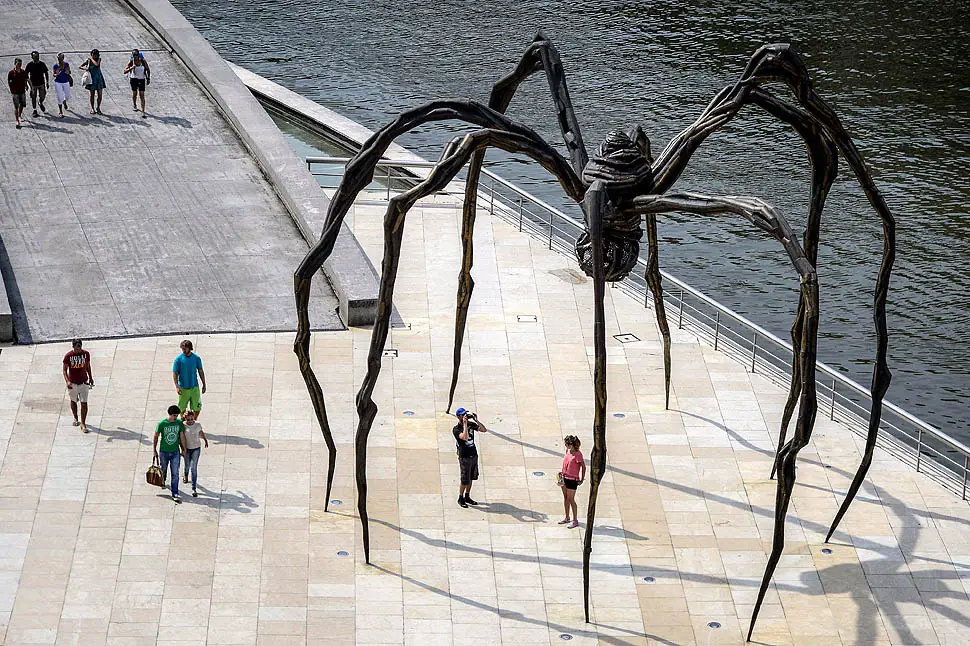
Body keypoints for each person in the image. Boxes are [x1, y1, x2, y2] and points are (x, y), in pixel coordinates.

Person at [453, 407, 487, 508]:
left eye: (465, 414)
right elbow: (465, 437)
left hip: (473, 454)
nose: (465, 416)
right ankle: (460, 497)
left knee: (471, 477)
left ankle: (467, 496)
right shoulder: (456, 429)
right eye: (463, 415)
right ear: (458, 417)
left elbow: (484, 430)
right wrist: (464, 425)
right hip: (464, 457)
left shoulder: (471, 425)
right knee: (464, 479)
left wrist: (476, 420)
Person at [154, 405, 186, 503]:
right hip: (164, 451)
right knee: (163, 468)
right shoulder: (162, 424)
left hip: (175, 451)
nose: (175, 417)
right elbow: (156, 437)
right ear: (169, 414)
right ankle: (163, 481)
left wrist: (184, 448)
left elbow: (182, 437)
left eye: (176, 415)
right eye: (174, 415)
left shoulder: (179, 423)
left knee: (175, 472)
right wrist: (154, 450)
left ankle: (175, 492)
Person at [62, 339, 94, 433]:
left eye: (79, 348)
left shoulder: (86, 354)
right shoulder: (68, 356)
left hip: (83, 382)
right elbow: (64, 370)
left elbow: (88, 366)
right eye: (76, 348)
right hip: (73, 383)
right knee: (73, 401)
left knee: (84, 403)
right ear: (73, 347)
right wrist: (67, 381)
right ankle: (75, 417)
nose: (78, 350)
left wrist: (90, 377)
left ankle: (83, 423)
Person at [173, 340, 206, 419]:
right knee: (181, 407)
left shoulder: (196, 358)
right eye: (182, 349)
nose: (183, 351)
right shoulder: (178, 359)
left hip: (194, 387)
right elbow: (175, 373)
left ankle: (193, 421)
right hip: (183, 388)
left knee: (197, 407)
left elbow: (200, 370)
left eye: (185, 349)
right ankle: (183, 422)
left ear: (189, 348)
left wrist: (204, 384)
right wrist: (177, 386)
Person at [558, 435, 586, 529]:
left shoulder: (578, 454)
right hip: (564, 477)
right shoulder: (568, 451)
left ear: (571, 444)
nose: (565, 445)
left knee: (571, 499)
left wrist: (582, 479)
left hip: (572, 479)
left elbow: (583, 466)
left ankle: (575, 520)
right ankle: (567, 517)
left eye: (567, 444)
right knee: (565, 498)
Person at [180, 409, 208, 497]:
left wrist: (205, 440)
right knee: (187, 465)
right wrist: (182, 449)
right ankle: (185, 474)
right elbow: (180, 438)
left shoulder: (197, 424)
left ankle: (194, 487)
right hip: (187, 449)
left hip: (196, 448)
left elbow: (201, 432)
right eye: (188, 420)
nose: (190, 421)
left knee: (194, 467)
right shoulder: (183, 426)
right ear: (185, 419)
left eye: (192, 419)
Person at [122, 48, 150, 117]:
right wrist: (131, 68)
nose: (135, 56)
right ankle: (134, 104)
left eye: (136, 55)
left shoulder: (142, 61)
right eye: (134, 55)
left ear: (139, 55)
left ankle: (143, 111)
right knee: (135, 93)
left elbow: (148, 69)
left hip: (141, 79)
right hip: (134, 79)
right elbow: (124, 71)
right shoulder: (131, 62)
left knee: (142, 95)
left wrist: (148, 78)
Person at [79, 49, 105, 115]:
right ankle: (92, 108)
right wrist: (85, 69)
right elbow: (80, 66)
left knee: (100, 95)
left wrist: (91, 58)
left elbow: (96, 64)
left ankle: (98, 107)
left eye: (95, 55)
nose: (94, 57)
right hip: (92, 79)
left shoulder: (98, 59)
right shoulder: (88, 61)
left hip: (99, 79)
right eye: (93, 55)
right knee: (92, 95)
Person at [24, 51, 49, 118]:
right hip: (33, 84)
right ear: (32, 57)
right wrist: (26, 84)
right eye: (35, 57)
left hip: (41, 83)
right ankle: (34, 110)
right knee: (33, 97)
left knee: (43, 96)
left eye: (37, 56)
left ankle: (40, 102)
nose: (37, 58)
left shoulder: (42, 64)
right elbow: (26, 75)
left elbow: (46, 72)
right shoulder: (29, 65)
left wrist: (47, 82)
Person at [7, 58, 27, 129]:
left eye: (20, 64)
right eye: (18, 64)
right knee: (16, 106)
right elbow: (10, 82)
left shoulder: (23, 72)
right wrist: (12, 90)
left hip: (22, 91)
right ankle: (17, 120)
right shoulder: (11, 73)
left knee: (22, 105)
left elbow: (26, 79)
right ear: (15, 64)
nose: (20, 65)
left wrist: (27, 85)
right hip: (15, 92)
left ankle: (19, 115)